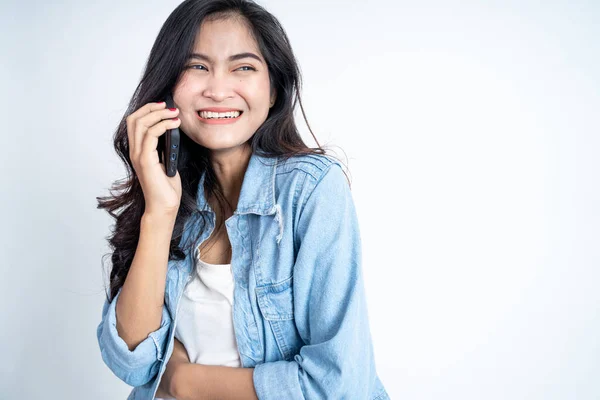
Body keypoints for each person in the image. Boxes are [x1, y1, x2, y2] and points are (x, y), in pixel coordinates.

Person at [96, 0, 389, 398]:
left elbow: (337, 385)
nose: (217, 90)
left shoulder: (311, 191)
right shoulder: (167, 194)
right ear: (169, 90)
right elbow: (132, 359)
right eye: (197, 66)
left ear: (273, 91)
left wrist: (184, 382)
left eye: (243, 67)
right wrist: (159, 213)